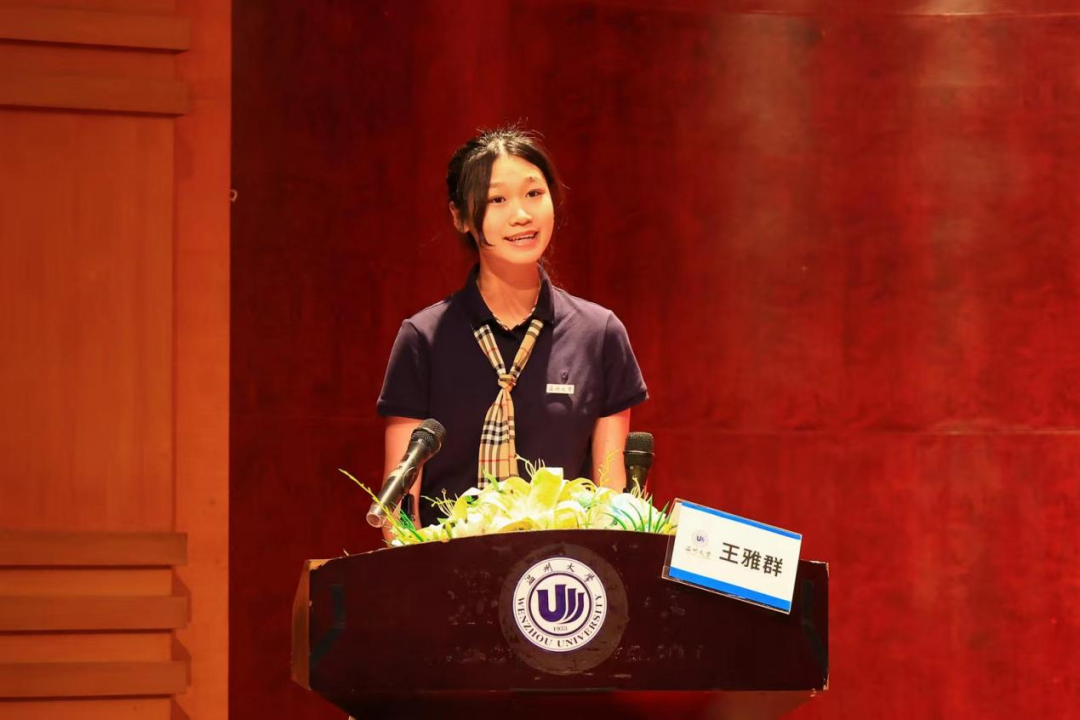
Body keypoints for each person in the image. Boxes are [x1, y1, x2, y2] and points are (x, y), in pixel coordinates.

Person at [376, 128, 647, 537]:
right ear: (460, 216)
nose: (521, 214)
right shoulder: (423, 338)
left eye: (534, 193)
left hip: (563, 571)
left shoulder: (599, 334)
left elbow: (613, 507)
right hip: (447, 569)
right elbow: (399, 510)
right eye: (497, 200)